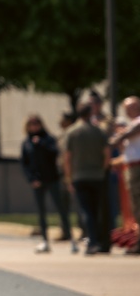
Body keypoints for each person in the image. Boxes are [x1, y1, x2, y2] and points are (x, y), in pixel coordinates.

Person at [20, 115, 75, 253]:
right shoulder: (26, 143)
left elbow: (55, 153)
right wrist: (32, 179)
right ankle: (44, 241)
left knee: (61, 208)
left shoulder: (48, 139)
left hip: (52, 179)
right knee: (41, 212)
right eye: (31, 124)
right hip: (37, 181)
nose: (34, 126)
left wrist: (41, 144)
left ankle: (71, 239)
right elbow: (25, 164)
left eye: (36, 123)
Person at [62, 103, 111, 255]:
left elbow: (67, 158)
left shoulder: (72, 132)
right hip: (97, 176)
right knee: (98, 209)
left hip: (80, 176)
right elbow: (107, 154)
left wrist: (69, 178)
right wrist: (102, 170)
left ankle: (92, 242)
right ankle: (103, 242)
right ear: (90, 113)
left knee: (86, 210)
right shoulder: (99, 131)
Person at [110, 95, 140, 254]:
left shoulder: (137, 123)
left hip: (137, 168)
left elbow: (129, 133)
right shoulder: (131, 124)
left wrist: (118, 136)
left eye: (133, 107)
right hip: (131, 166)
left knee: (138, 203)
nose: (130, 110)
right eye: (128, 108)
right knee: (134, 205)